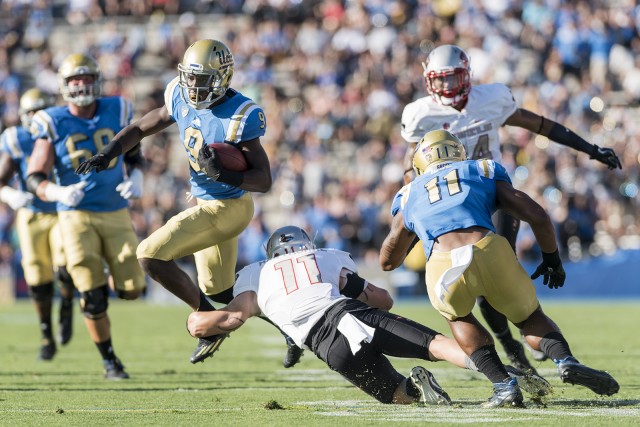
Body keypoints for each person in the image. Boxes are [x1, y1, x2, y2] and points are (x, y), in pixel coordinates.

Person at [399, 44, 622, 372]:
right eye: (440, 80)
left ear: (467, 75)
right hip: (452, 200)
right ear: (429, 79)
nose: (446, 87)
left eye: (452, 79)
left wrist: (587, 148)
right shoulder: (420, 113)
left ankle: (524, 339)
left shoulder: (490, 98)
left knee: (500, 272)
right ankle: (511, 344)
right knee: (481, 285)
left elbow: (540, 125)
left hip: (493, 191)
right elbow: (412, 164)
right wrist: (412, 200)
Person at [73, 39, 296, 367]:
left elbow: (263, 180)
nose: (192, 85)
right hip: (206, 204)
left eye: (200, 78)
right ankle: (291, 327)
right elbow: (140, 127)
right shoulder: (179, 94)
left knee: (149, 254)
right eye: (189, 77)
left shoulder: (240, 113)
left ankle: (207, 322)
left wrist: (224, 173)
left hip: (229, 206)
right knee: (222, 292)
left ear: (221, 77)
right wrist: (110, 152)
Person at [380, 130, 620, 407]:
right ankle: (565, 361)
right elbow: (537, 216)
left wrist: (414, 225)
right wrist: (552, 258)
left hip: (443, 260)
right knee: (529, 317)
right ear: (458, 152)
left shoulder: (409, 192)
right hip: (489, 248)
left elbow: (388, 260)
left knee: (458, 317)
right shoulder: (481, 167)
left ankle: (503, 385)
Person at [188, 225, 465, 405]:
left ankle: (415, 389)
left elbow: (231, 319)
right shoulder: (325, 255)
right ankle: (496, 372)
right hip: (349, 314)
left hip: (328, 347)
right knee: (434, 344)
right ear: (307, 244)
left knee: (394, 394)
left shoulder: (256, 274)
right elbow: (384, 300)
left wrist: (195, 323)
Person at [26, 53, 146, 379]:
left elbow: (133, 152)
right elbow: (35, 175)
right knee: (93, 296)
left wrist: (136, 175)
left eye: (86, 78)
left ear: (97, 80)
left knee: (133, 288)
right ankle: (110, 361)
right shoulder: (52, 120)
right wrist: (58, 192)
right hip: (74, 213)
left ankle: (82, 279)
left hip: (115, 210)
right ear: (65, 86)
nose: (81, 85)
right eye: (74, 80)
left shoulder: (117, 108)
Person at [0, 88, 76, 361]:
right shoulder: (16, 139)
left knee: (65, 266)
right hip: (31, 213)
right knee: (37, 279)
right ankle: (46, 332)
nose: (34, 118)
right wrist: (9, 194)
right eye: (30, 113)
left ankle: (66, 304)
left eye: (39, 111)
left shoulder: (62, 132)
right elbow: (1, 179)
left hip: (60, 210)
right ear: (22, 116)